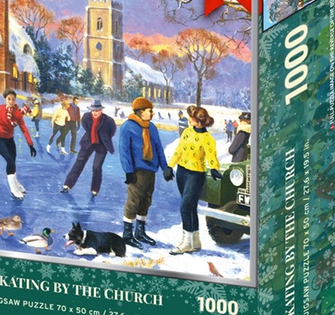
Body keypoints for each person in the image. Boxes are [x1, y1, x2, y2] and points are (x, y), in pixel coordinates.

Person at [118, 97, 173, 249]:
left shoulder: (152, 127)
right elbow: (124, 151)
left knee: (146, 201)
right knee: (133, 201)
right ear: (141, 112)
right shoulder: (127, 127)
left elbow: (158, 148)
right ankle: (127, 234)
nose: (152, 113)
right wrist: (128, 171)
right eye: (150, 111)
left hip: (150, 171)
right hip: (136, 171)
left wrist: (165, 167)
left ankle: (140, 232)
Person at [167, 106, 221, 254]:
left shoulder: (207, 138)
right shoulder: (187, 132)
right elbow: (179, 150)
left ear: (199, 121)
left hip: (196, 175)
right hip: (182, 172)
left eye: (191, 117)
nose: (189, 119)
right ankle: (195, 241)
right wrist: (170, 166)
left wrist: (214, 168)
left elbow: (211, 155)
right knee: (190, 207)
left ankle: (187, 243)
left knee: (185, 207)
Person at [61, 100, 116, 197]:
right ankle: (67, 185)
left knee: (97, 167)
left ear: (101, 110)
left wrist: (104, 138)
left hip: (101, 145)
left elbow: (112, 131)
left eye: (97, 111)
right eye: (93, 110)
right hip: (88, 142)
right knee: (79, 163)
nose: (95, 113)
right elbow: (86, 127)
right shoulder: (86, 117)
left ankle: (95, 189)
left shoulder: (109, 120)